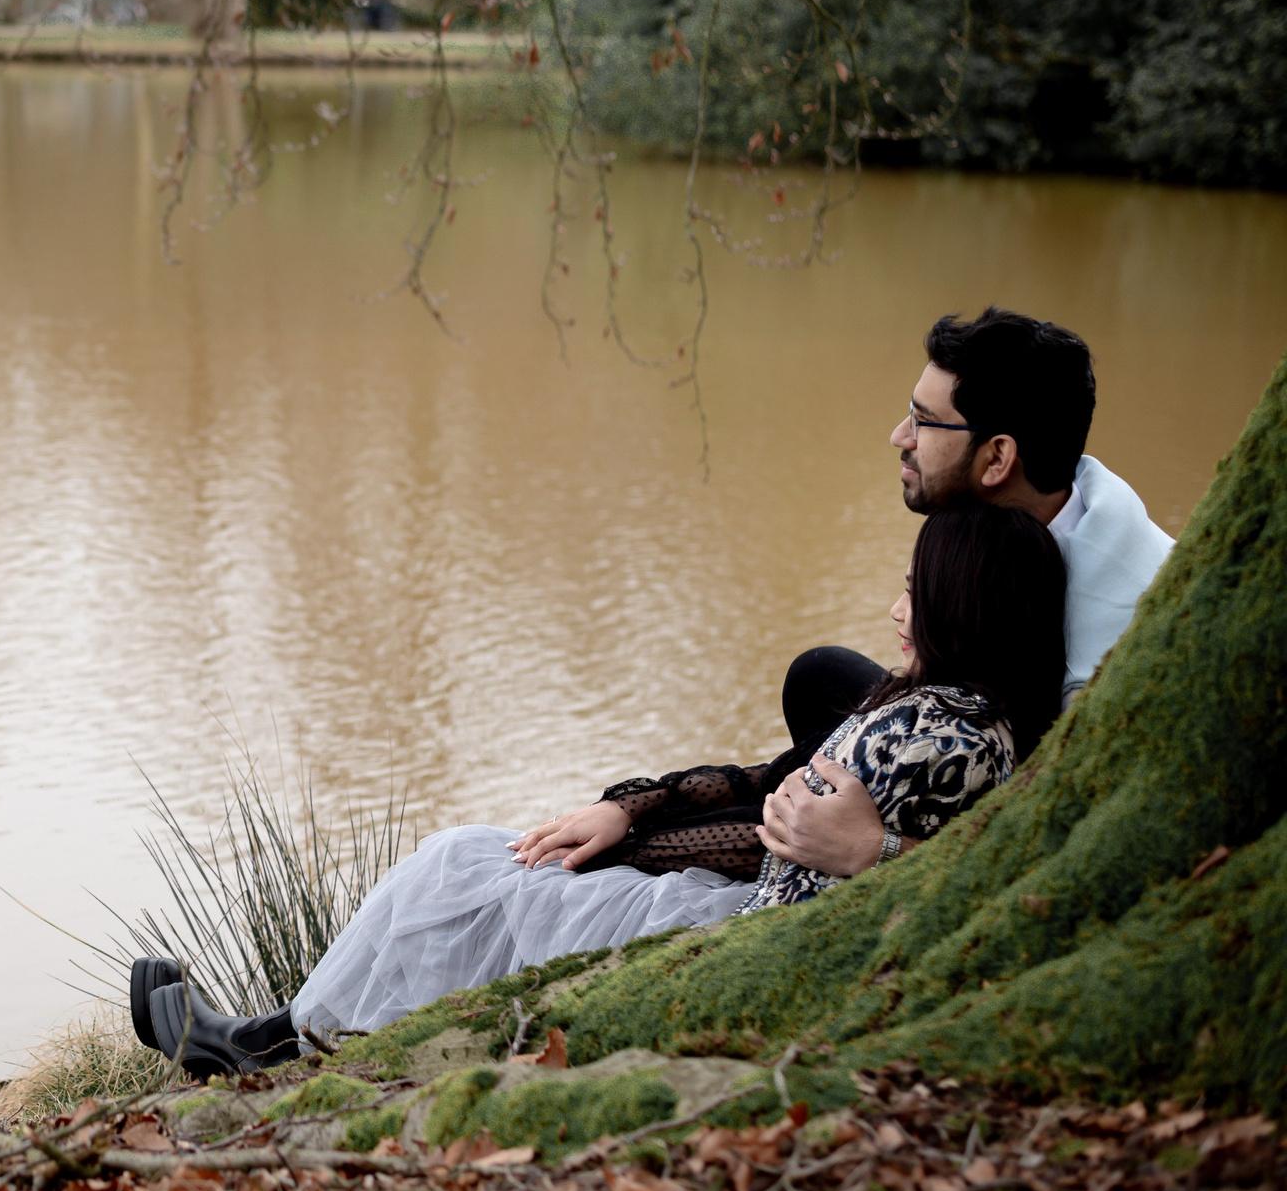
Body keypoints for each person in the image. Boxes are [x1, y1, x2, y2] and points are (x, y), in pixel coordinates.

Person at [134, 499, 1067, 1076]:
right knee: (487, 864)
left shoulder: (941, 733)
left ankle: (273, 1044)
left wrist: (875, 852)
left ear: (964, 603)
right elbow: (774, 790)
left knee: (468, 868)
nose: (895, 607)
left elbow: (970, 869)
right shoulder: (944, 708)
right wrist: (632, 812)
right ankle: (277, 1036)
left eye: (915, 588)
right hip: (750, 908)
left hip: (746, 939)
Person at [781, 308, 1173, 770]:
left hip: (1018, 769)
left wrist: (882, 843)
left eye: (923, 421)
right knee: (820, 678)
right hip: (982, 727)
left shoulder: (1098, 666)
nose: (899, 436)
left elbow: (1064, 815)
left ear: (997, 459)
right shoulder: (1060, 498)